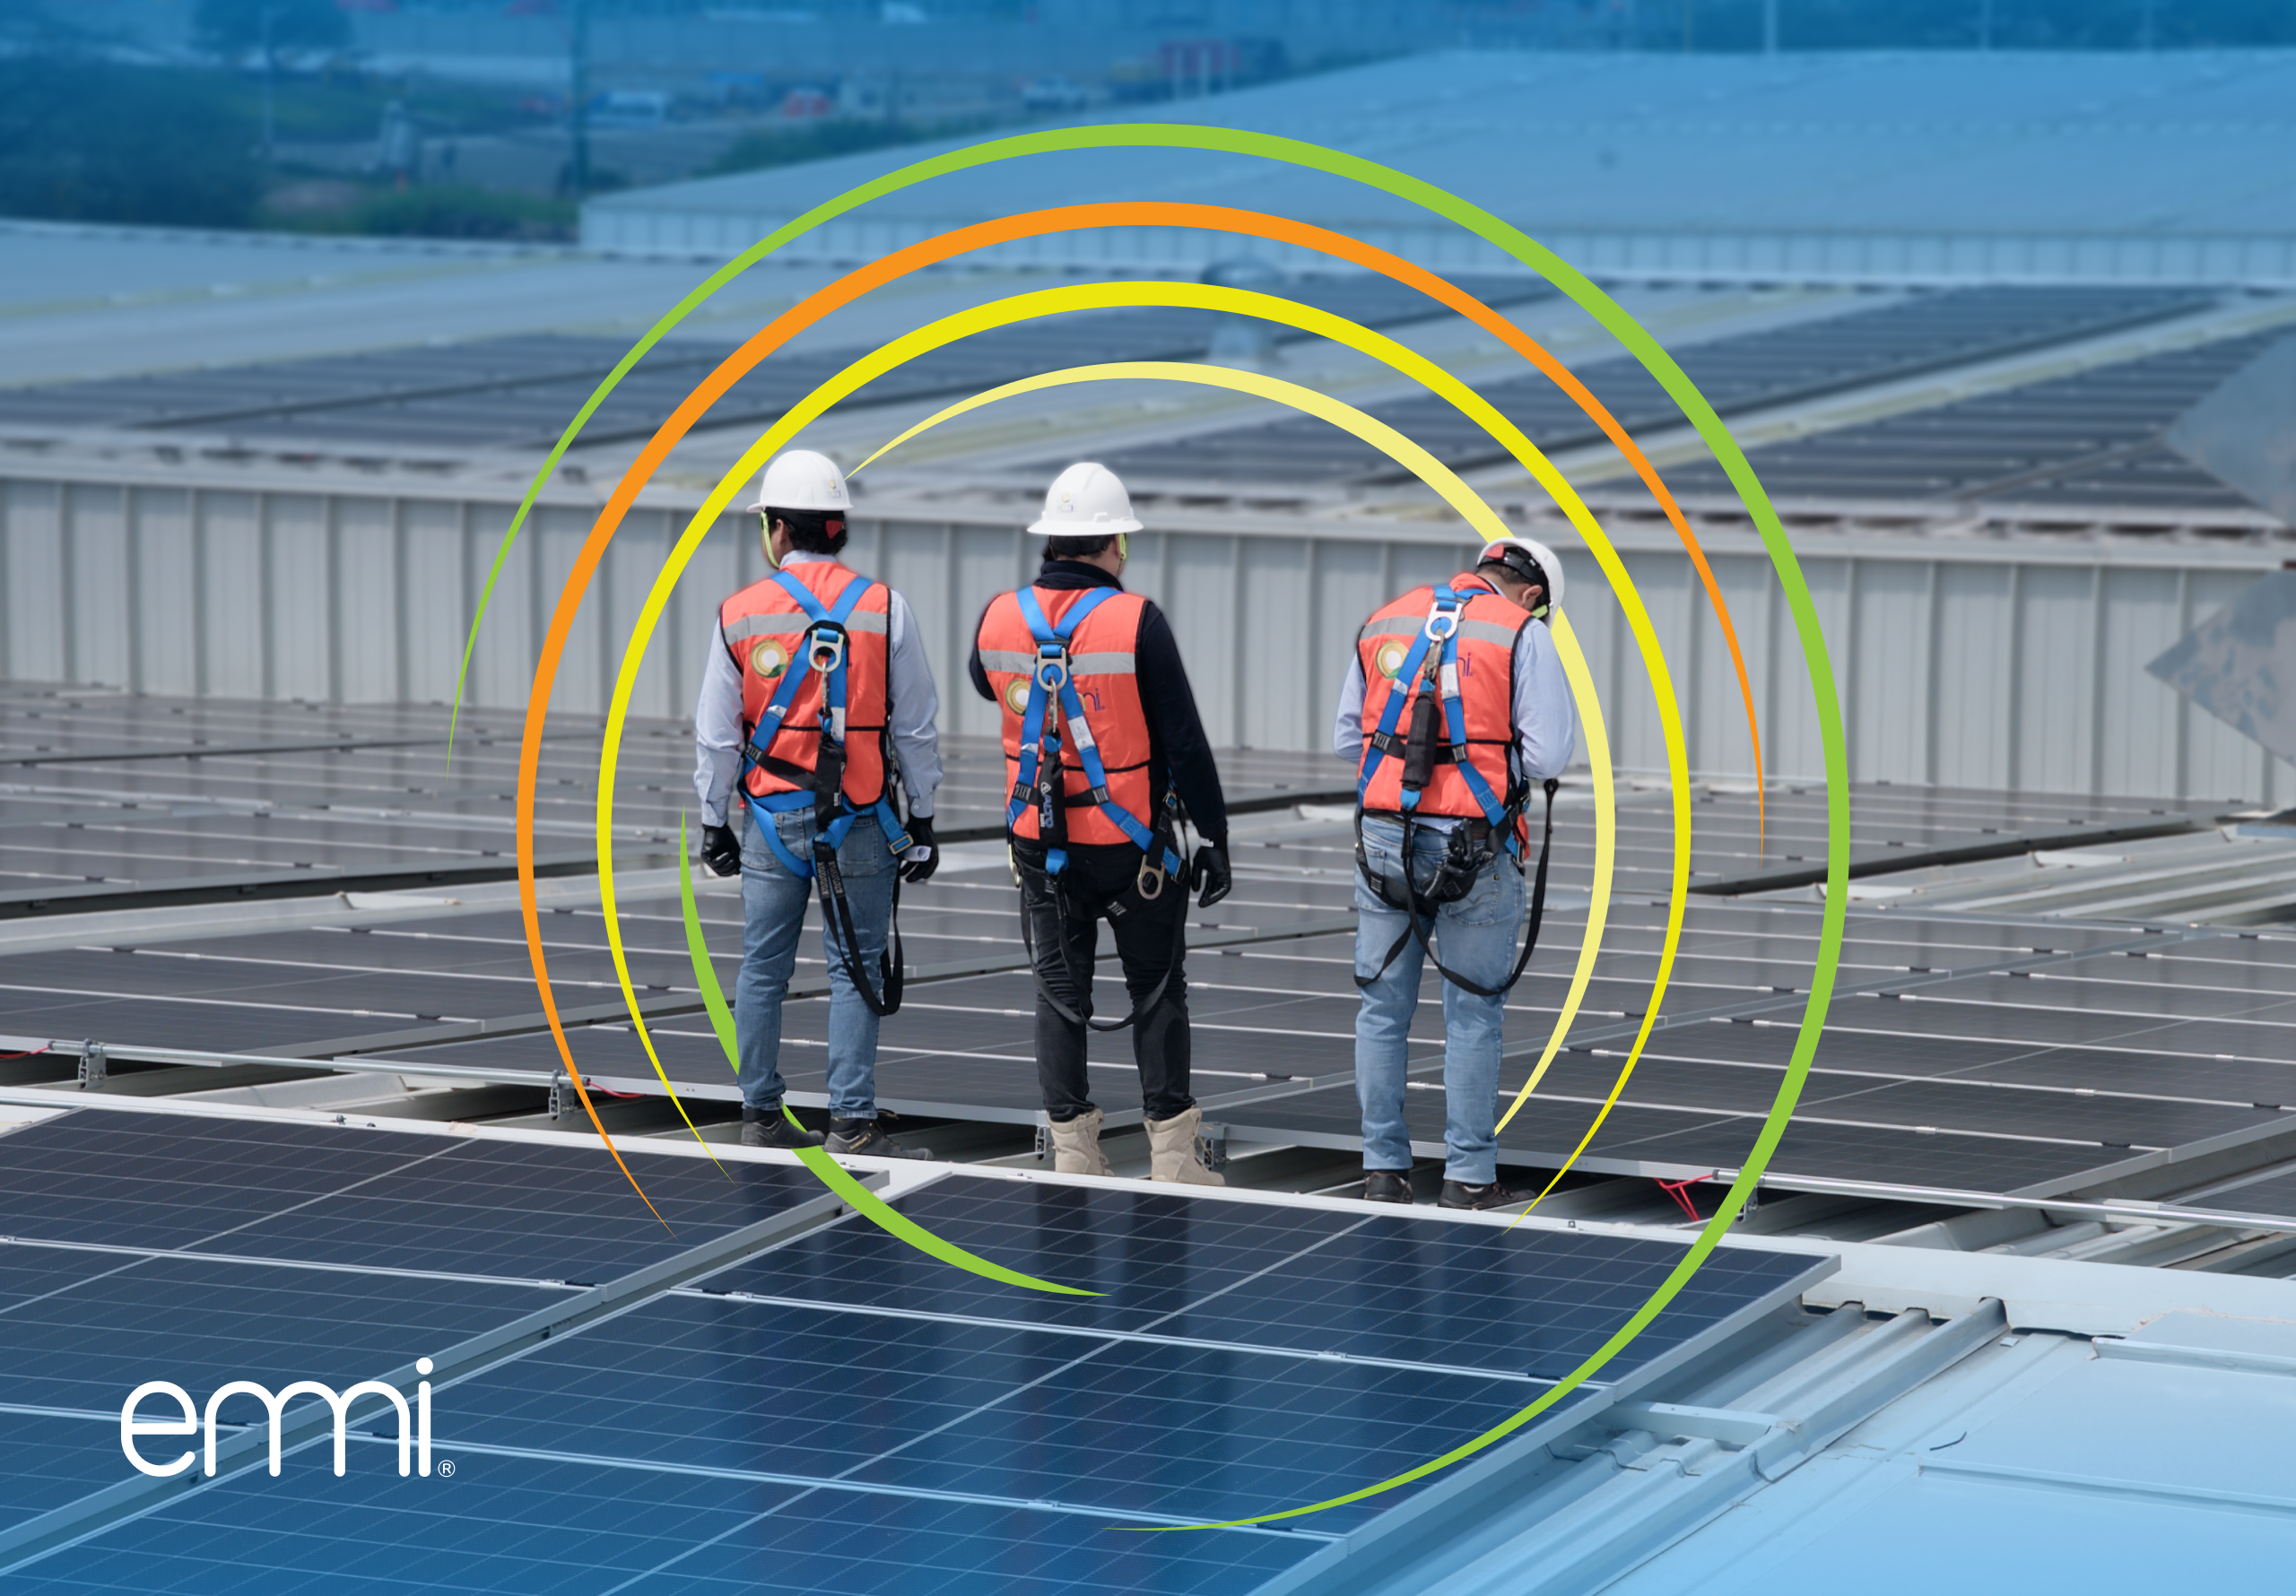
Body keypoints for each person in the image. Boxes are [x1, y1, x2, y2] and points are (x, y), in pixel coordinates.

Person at [970, 463, 1232, 1184]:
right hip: (1131, 849)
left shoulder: (998, 616)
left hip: (1039, 844)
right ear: (1114, 542)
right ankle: (1174, 1161)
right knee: (1156, 988)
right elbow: (1182, 737)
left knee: (1059, 992)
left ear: (1051, 541)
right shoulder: (1135, 619)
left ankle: (1075, 1158)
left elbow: (981, 679)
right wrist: (1213, 837)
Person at [692, 448, 943, 1158]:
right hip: (861, 819)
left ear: (775, 529)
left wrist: (715, 823)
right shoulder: (885, 608)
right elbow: (917, 724)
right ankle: (852, 1126)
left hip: (770, 819)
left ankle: (760, 1114)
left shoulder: (738, 614)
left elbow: (716, 737)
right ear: (838, 529)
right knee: (854, 967)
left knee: (763, 966)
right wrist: (921, 815)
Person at [1336, 536, 1576, 1210]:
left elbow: (1348, 738)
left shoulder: (1387, 618)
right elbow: (1551, 754)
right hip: (1474, 844)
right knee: (1472, 1013)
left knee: (1382, 1010)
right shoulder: (1520, 633)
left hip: (1383, 837)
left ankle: (1384, 1171)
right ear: (1532, 594)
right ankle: (1469, 1178)